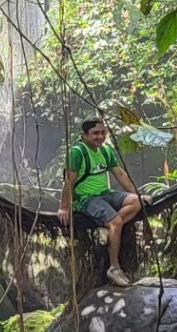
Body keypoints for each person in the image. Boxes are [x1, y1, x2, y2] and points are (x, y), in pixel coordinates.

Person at [58, 118, 141, 289]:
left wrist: (136, 194)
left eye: (103, 133)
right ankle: (114, 267)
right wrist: (64, 207)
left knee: (136, 202)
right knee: (116, 222)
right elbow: (69, 182)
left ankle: (108, 229)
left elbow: (120, 174)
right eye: (96, 133)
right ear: (84, 135)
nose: (100, 137)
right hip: (86, 198)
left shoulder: (105, 151)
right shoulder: (77, 152)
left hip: (105, 194)